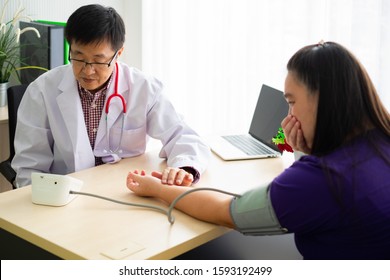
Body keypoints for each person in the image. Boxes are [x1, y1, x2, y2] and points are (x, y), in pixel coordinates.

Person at [126, 41, 390, 260]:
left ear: (322, 100)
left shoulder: (322, 180)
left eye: (292, 102)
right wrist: (304, 150)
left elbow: (226, 212)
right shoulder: (380, 142)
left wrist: (158, 189)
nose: (288, 115)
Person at [12, 4, 210, 188]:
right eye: (78, 57)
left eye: (99, 61)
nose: (87, 71)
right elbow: (29, 164)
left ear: (119, 53)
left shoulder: (144, 88)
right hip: (66, 195)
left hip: (125, 191)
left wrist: (183, 168)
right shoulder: (42, 90)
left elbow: (182, 136)